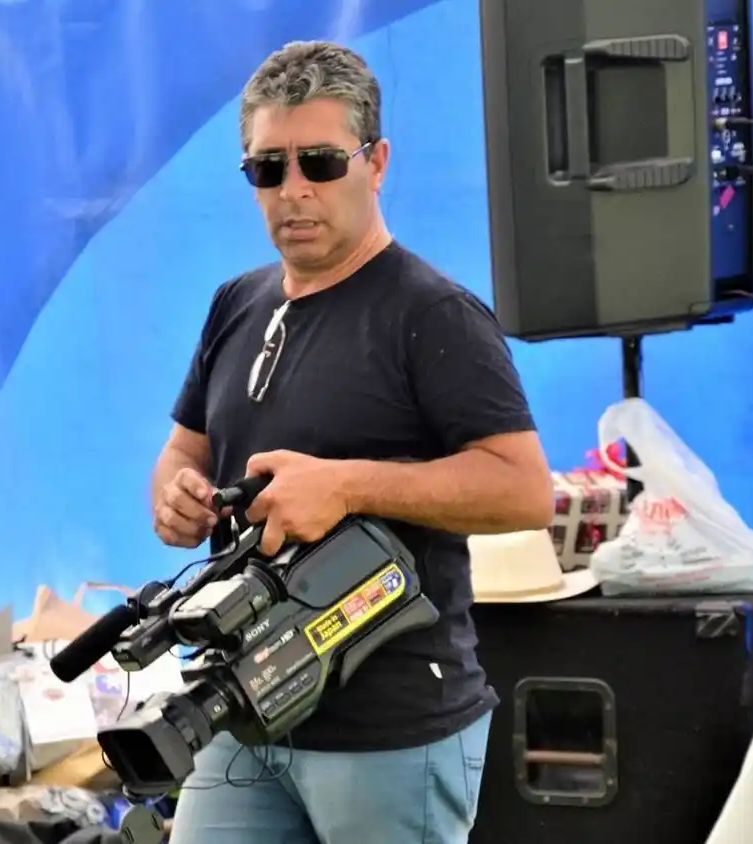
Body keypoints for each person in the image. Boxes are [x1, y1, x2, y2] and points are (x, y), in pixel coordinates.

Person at [151, 41, 554, 844]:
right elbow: (184, 450)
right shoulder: (237, 302)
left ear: (377, 162)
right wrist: (175, 496)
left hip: (390, 724)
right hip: (242, 705)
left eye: (322, 162)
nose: (294, 189)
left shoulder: (434, 314)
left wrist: (347, 486)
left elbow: (524, 490)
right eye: (268, 168)